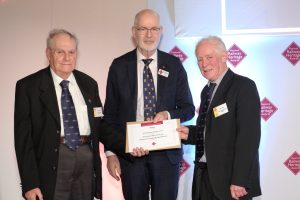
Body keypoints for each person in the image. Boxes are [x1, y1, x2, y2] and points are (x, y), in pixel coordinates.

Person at [14, 29, 128, 200]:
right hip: (53, 161)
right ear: (48, 54)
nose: (67, 58)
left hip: (86, 159)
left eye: (71, 52)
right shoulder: (28, 87)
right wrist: (30, 183)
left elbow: (100, 127)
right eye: (60, 52)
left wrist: (129, 144)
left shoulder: (89, 84)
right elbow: (23, 140)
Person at [103, 9, 195, 200]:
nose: (149, 34)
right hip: (131, 155)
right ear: (133, 32)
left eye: (154, 29)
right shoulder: (119, 66)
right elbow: (110, 115)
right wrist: (111, 153)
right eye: (143, 29)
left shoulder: (174, 65)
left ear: (161, 31)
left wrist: (167, 115)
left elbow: (188, 109)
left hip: (166, 155)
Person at [178, 36, 261, 200]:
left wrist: (240, 179)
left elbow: (248, 137)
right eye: (199, 59)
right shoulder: (206, 91)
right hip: (203, 177)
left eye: (209, 57)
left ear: (224, 57)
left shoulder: (243, 86)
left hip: (230, 182)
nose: (204, 64)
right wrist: (190, 133)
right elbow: (214, 129)